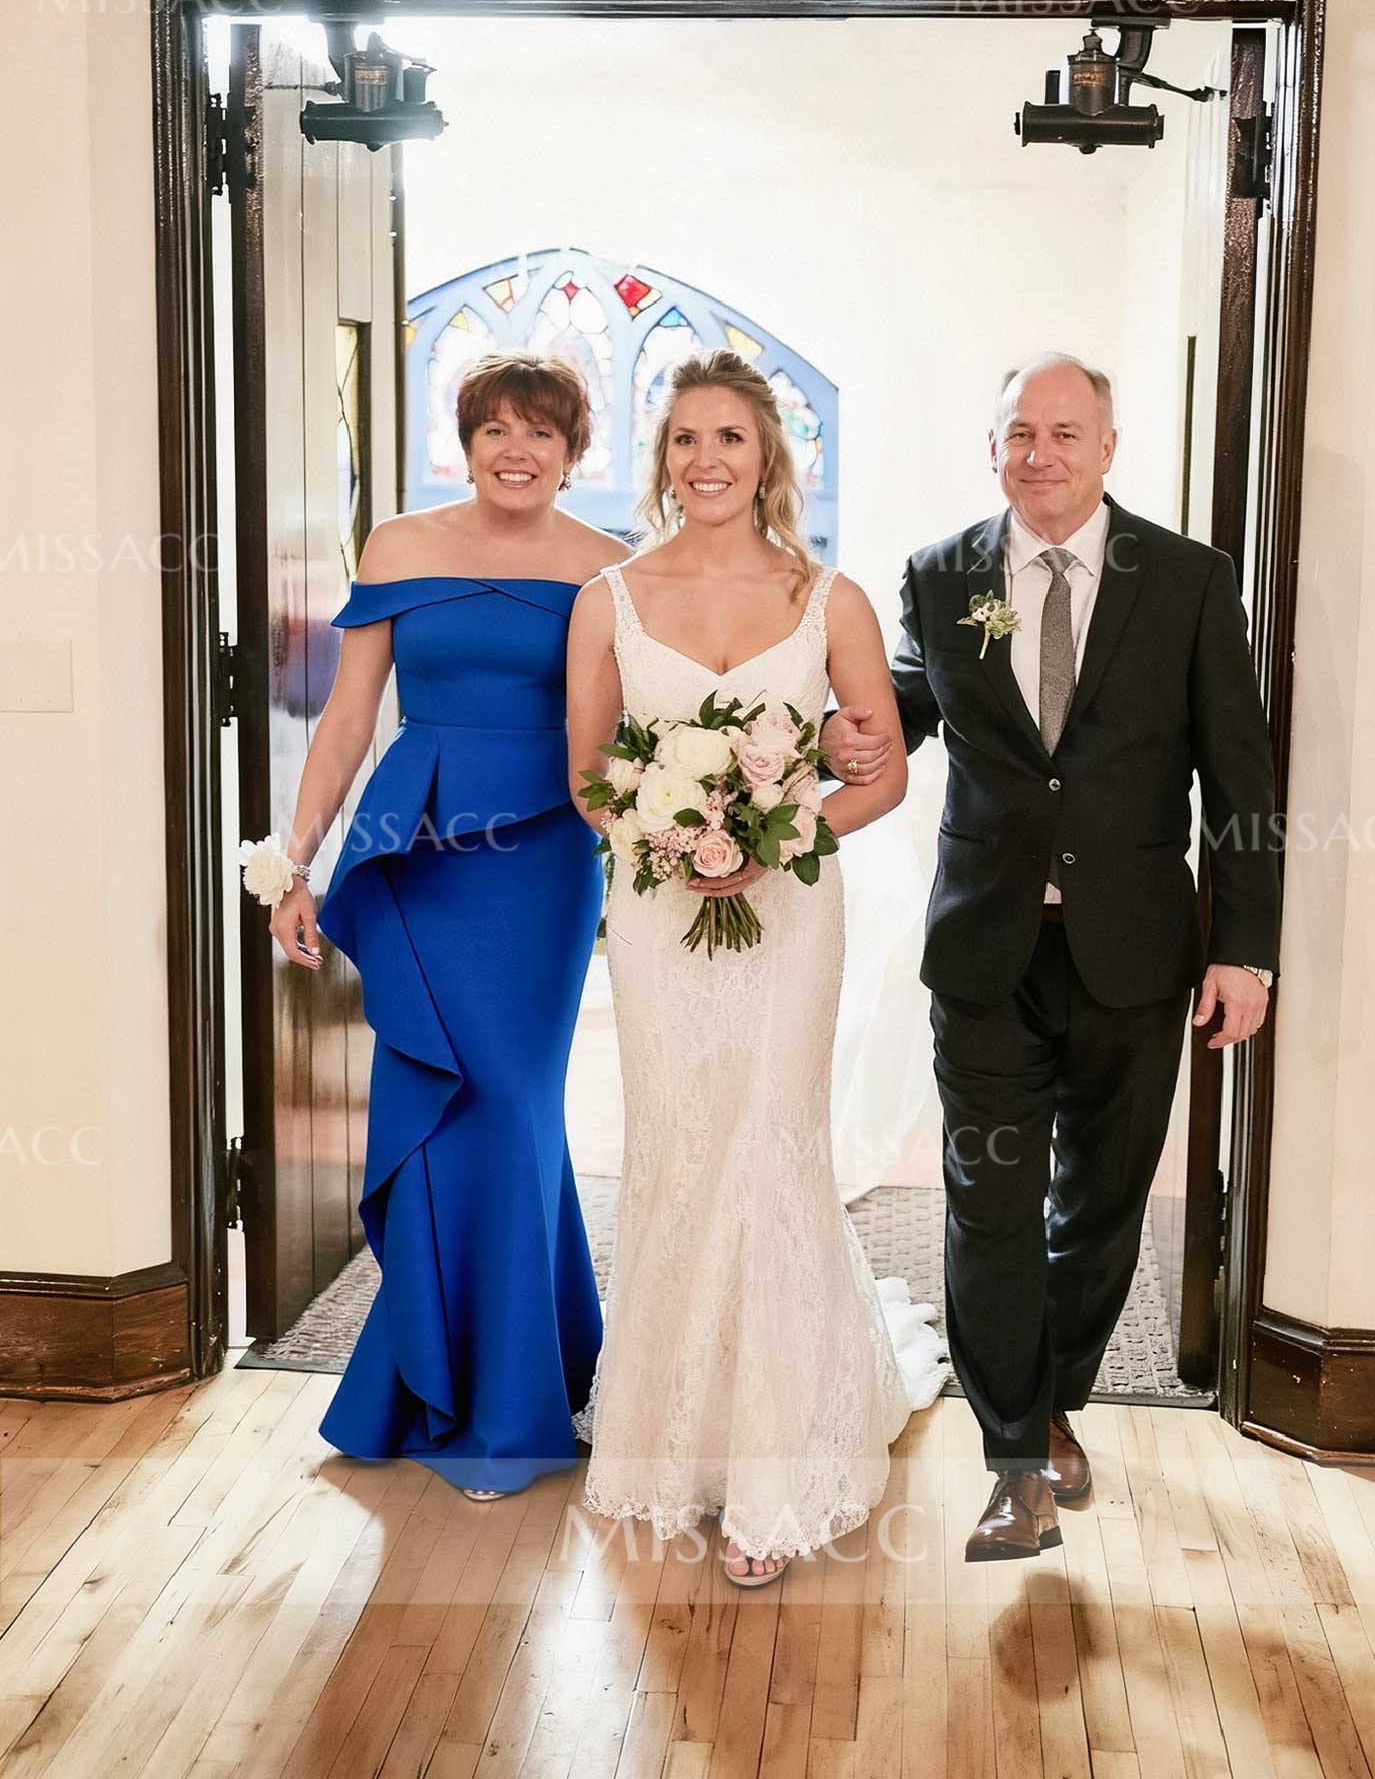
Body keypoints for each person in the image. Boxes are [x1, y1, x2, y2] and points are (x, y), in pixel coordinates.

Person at [821, 352, 1280, 1561]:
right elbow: (907, 707)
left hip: (1136, 951)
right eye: (1019, 431)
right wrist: (823, 733)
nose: (1041, 453)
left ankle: (1056, 1393)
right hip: (988, 944)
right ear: (992, 448)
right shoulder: (940, 574)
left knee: (1102, 1203)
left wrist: (1243, 949)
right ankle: (1014, 1458)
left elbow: (1241, 779)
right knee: (988, 1201)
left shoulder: (1187, 581)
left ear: (1107, 447)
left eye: (1066, 432)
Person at [564, 348, 949, 1587]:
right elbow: (587, 776)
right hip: (658, 913)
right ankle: (675, 1435)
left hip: (788, 914)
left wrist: (775, 835)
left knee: (770, 1142)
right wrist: (670, 836)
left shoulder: (830, 599)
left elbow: (882, 776)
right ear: (661, 460)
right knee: (681, 1144)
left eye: (729, 436)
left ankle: (775, 1474)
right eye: (684, 438)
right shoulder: (607, 600)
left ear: (766, 456)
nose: (706, 459)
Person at [247, 349, 630, 1498]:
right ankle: (459, 1380)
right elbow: (345, 715)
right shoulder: (399, 544)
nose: (517, 449)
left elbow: (633, 724)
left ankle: (510, 1404)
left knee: (510, 1102)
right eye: (494, 428)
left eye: (541, 432)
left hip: (543, 857)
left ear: (572, 451)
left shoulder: (608, 564)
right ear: (464, 442)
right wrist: (295, 860)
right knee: (440, 1104)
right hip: (415, 849)